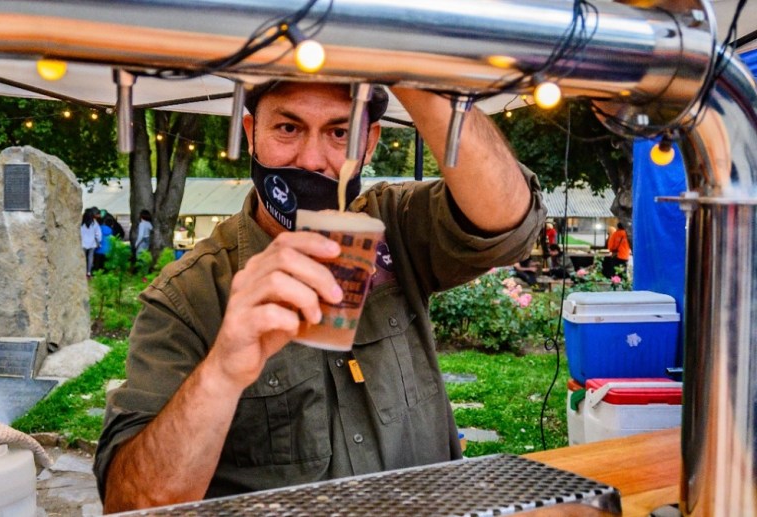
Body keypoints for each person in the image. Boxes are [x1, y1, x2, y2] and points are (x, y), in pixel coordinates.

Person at [95, 82, 546, 512]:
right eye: (288, 128)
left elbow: (509, 224)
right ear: (251, 134)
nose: (311, 160)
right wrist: (223, 370)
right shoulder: (188, 294)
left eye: (340, 133)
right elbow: (131, 504)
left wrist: (411, 72)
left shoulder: (395, 226)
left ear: (369, 143)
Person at [80, 208, 101, 277]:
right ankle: (88, 272)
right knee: (90, 258)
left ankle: (82, 271)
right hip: (92, 243)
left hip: (83, 243)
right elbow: (98, 234)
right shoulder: (94, 222)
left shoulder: (81, 222)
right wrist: (98, 241)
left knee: (82, 258)